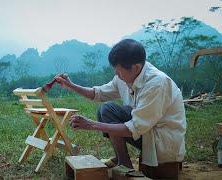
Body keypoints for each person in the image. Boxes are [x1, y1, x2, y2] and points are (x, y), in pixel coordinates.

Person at [55, 39, 186, 172]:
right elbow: (98, 93)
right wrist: (71, 86)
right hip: (145, 130)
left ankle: (127, 165)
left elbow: (134, 128)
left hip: (161, 141)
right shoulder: (125, 76)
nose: (116, 75)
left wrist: (90, 125)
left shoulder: (156, 84)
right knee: (107, 109)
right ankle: (123, 162)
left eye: (119, 72)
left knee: (109, 110)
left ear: (135, 68)